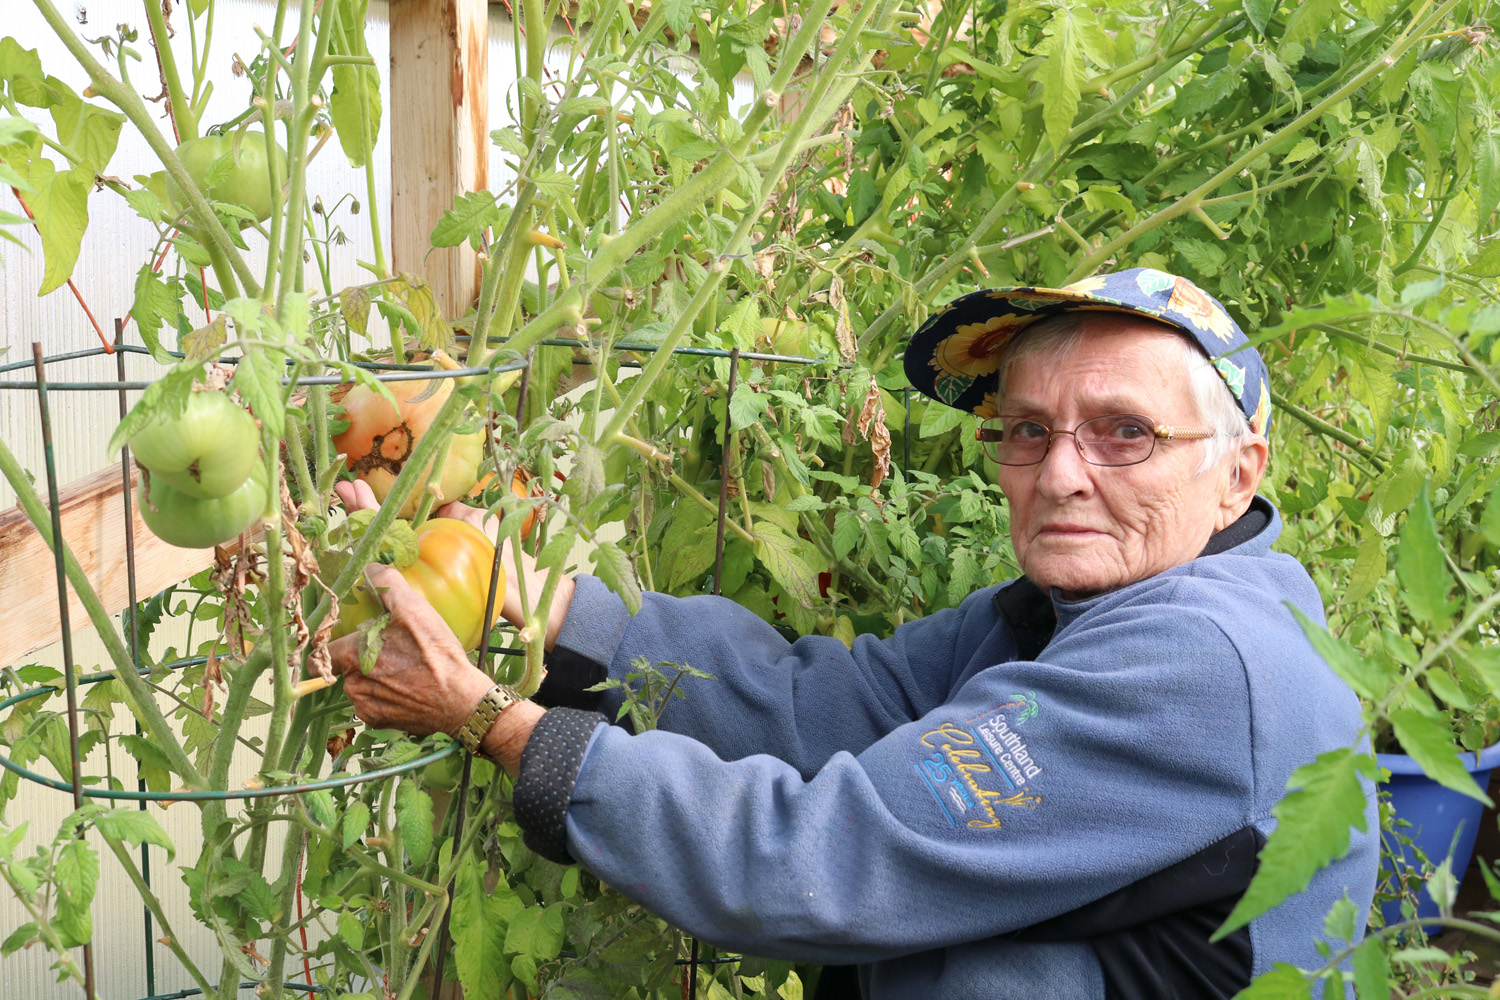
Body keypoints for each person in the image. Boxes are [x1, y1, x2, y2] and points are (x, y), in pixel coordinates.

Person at [330, 268, 1378, 1000]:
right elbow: (816, 705)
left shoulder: (1195, 665)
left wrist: (491, 718)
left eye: (1126, 433)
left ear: (1240, 468)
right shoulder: (1070, 605)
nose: (1062, 473)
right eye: (1027, 429)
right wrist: (541, 596)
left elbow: (824, 860)